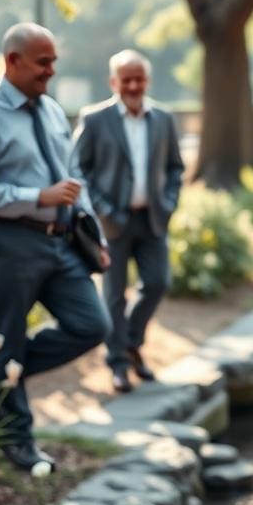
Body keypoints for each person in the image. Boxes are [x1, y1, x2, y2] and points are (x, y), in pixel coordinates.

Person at [0, 22, 112, 471]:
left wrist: (93, 236)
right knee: (7, 333)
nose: (51, 71)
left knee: (91, 325)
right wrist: (36, 198)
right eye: (44, 62)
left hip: (63, 245)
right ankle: (17, 440)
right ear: (12, 61)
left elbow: (72, 177)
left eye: (54, 61)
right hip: (9, 243)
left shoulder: (51, 110)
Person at [71, 49, 184, 393]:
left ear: (147, 80)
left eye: (139, 79)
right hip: (112, 224)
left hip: (152, 220)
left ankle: (132, 343)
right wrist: (102, 209)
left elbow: (175, 168)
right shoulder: (94, 119)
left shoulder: (164, 119)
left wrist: (167, 203)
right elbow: (78, 168)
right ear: (113, 82)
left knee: (158, 282)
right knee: (114, 296)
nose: (134, 85)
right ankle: (118, 363)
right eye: (127, 79)